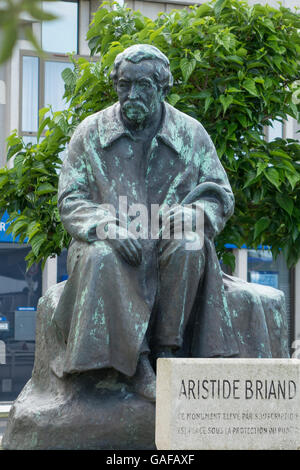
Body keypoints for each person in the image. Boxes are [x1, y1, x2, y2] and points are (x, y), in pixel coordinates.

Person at [53, 44, 237, 402]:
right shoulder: (90, 132)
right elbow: (71, 200)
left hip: (167, 239)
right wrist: (105, 226)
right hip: (107, 239)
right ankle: (134, 365)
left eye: (143, 86)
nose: (131, 94)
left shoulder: (192, 133)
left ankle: (168, 352)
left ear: (162, 88)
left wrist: (193, 214)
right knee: (104, 256)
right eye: (124, 85)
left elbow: (220, 195)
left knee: (191, 244)